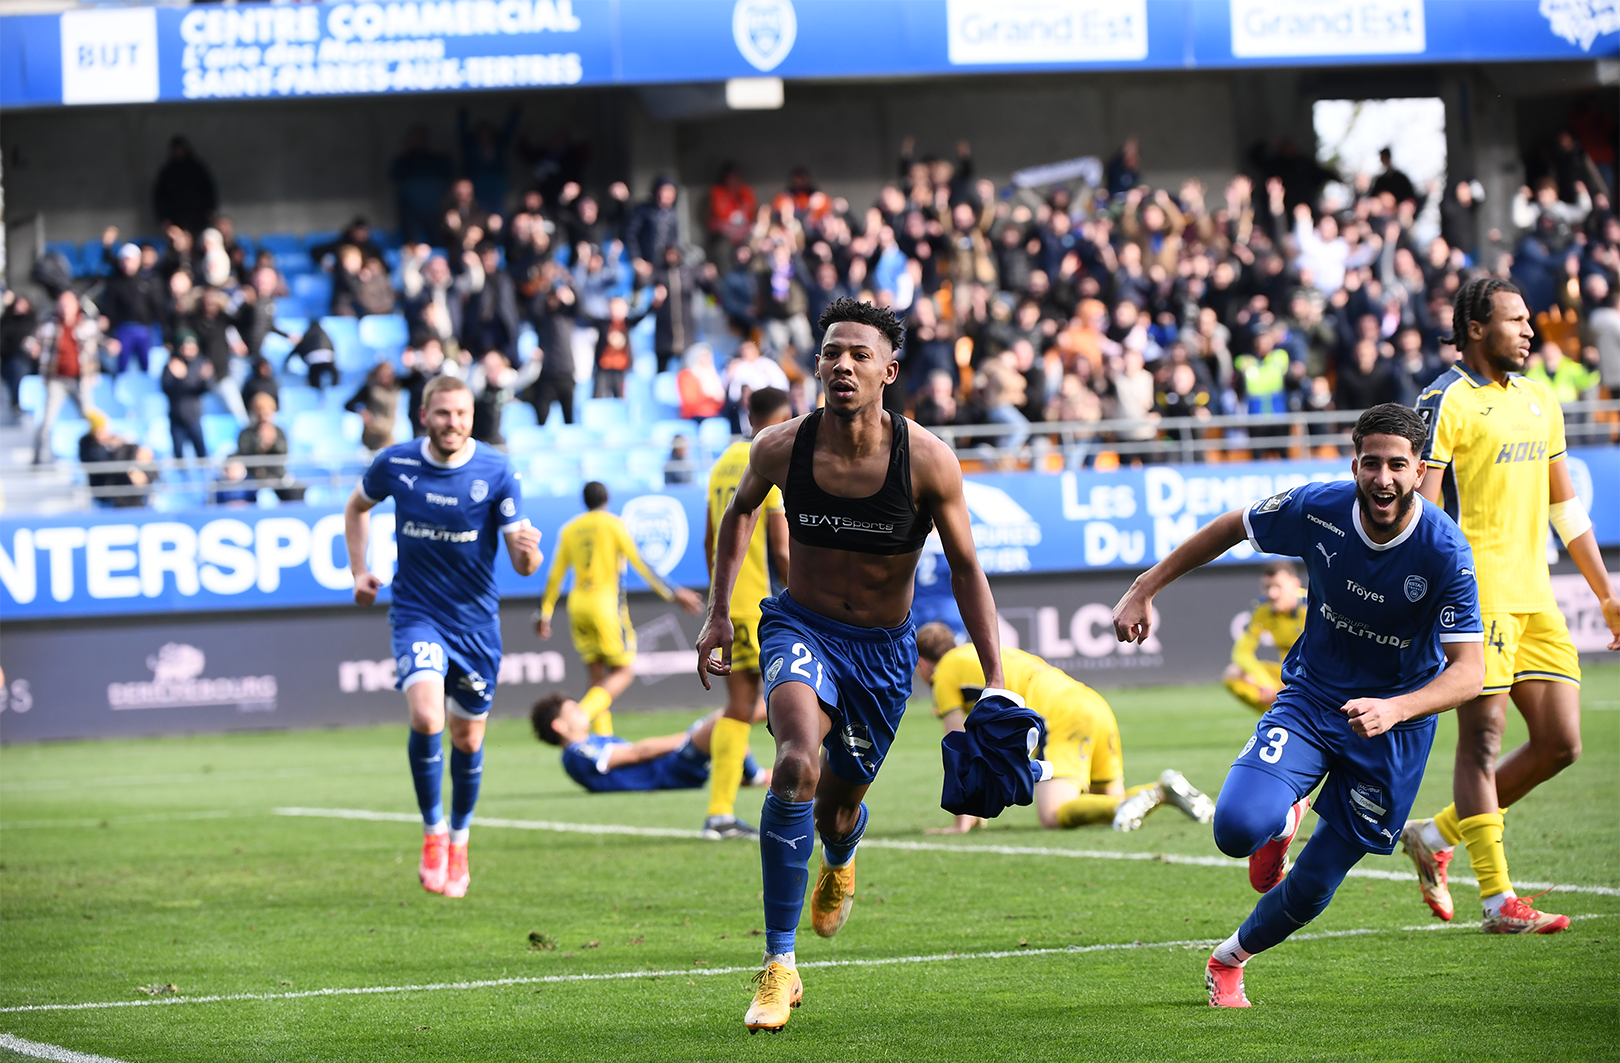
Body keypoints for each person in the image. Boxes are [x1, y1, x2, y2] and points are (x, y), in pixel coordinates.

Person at [695, 298, 1005, 1033]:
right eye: (832, 351)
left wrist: (996, 680)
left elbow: (967, 568)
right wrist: (717, 610)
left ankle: (841, 849)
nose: (842, 363)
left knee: (837, 806)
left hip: (884, 654)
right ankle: (778, 964)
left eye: (860, 354)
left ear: (889, 371)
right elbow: (739, 512)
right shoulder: (780, 447)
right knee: (796, 762)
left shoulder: (926, 459)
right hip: (799, 625)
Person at [1111, 404, 1486, 1008]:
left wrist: (1397, 709)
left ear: (1419, 470)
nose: (1383, 479)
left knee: (1314, 886)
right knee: (1236, 830)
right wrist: (1143, 587)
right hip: (1313, 699)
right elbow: (1233, 526)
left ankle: (1228, 959)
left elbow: (1471, 674)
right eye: (1371, 463)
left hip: (1394, 729)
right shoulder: (1320, 507)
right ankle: (1282, 818)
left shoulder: (1445, 550)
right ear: (1354, 462)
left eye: (1398, 465)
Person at [1401, 278, 1620, 933]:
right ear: (1475, 327)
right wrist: (1432, 599)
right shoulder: (1444, 400)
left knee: (1560, 743)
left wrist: (1605, 591)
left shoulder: (1539, 398)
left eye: (1530, 321)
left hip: (1536, 597)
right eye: (1516, 320)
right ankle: (1499, 901)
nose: (1531, 331)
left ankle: (1435, 836)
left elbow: (1564, 506)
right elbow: (1426, 511)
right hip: (1476, 600)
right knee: (1483, 745)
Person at [343, 376, 543, 899]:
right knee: (428, 717)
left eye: (460, 414)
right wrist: (359, 570)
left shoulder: (497, 470)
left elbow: (524, 566)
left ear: (471, 417)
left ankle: (460, 838)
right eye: (442, 414)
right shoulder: (397, 463)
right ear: (423, 415)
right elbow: (356, 507)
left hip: (476, 625)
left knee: (467, 738)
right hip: (416, 613)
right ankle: (433, 833)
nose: (451, 423)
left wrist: (528, 550)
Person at [914, 624, 1214, 834]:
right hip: (1092, 703)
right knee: (1107, 806)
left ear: (924, 663)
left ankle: (1157, 790)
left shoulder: (944, 674)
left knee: (1054, 814)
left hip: (1058, 713)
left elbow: (958, 746)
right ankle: (1162, 790)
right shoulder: (974, 653)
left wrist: (962, 820)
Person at [536, 481, 703, 738]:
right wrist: (672, 592)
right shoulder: (614, 525)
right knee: (623, 672)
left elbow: (555, 575)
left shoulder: (569, 530)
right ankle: (581, 715)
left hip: (577, 605)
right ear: (607, 498)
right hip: (604, 606)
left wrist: (545, 612)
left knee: (596, 678)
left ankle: (603, 739)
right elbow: (641, 562)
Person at [700, 387, 793, 840]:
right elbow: (780, 546)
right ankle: (784, 809)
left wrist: (720, 599)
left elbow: (709, 540)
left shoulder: (721, 464)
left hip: (729, 602)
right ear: (772, 419)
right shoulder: (767, 457)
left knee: (738, 706)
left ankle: (719, 814)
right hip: (759, 605)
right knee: (786, 707)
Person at [530, 694, 770, 795]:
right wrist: (691, 736)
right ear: (559, 726)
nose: (581, 709)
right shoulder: (578, 752)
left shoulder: (591, 743)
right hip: (670, 771)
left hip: (671, 768)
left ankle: (753, 774)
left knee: (730, 717)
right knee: (727, 718)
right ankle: (756, 775)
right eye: (572, 709)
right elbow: (637, 753)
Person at [1223, 561, 1307, 713]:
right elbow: (1241, 653)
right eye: (1267, 587)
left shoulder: (1313, 606)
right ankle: (1276, 716)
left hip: (1313, 677)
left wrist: (1295, 678)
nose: (1272, 594)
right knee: (1234, 673)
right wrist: (1263, 680)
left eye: (1278, 587)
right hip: (1286, 676)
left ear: (1295, 584)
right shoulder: (1262, 610)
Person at [31, 290, 102, 465]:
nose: (65, 308)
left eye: (68, 304)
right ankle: (38, 460)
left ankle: (96, 457)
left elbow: (102, 339)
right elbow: (31, 340)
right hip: (57, 380)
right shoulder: (50, 325)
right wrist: (33, 347)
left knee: (93, 419)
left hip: (81, 379)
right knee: (47, 421)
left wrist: (110, 344)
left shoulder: (85, 325)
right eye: (62, 304)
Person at [162, 331, 211, 460]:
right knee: (178, 453)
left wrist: (201, 379)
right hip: (176, 415)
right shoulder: (172, 364)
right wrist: (179, 378)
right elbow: (166, 388)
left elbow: (207, 388)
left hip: (194, 416)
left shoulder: (201, 363)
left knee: (201, 452)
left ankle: (205, 477)